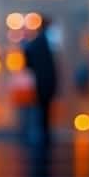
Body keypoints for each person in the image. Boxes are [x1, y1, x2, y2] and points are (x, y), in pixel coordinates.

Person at [23, 15, 57, 147]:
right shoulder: (41, 42)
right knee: (43, 112)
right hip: (43, 82)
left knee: (43, 111)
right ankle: (41, 136)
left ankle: (42, 135)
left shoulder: (40, 42)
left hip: (42, 82)